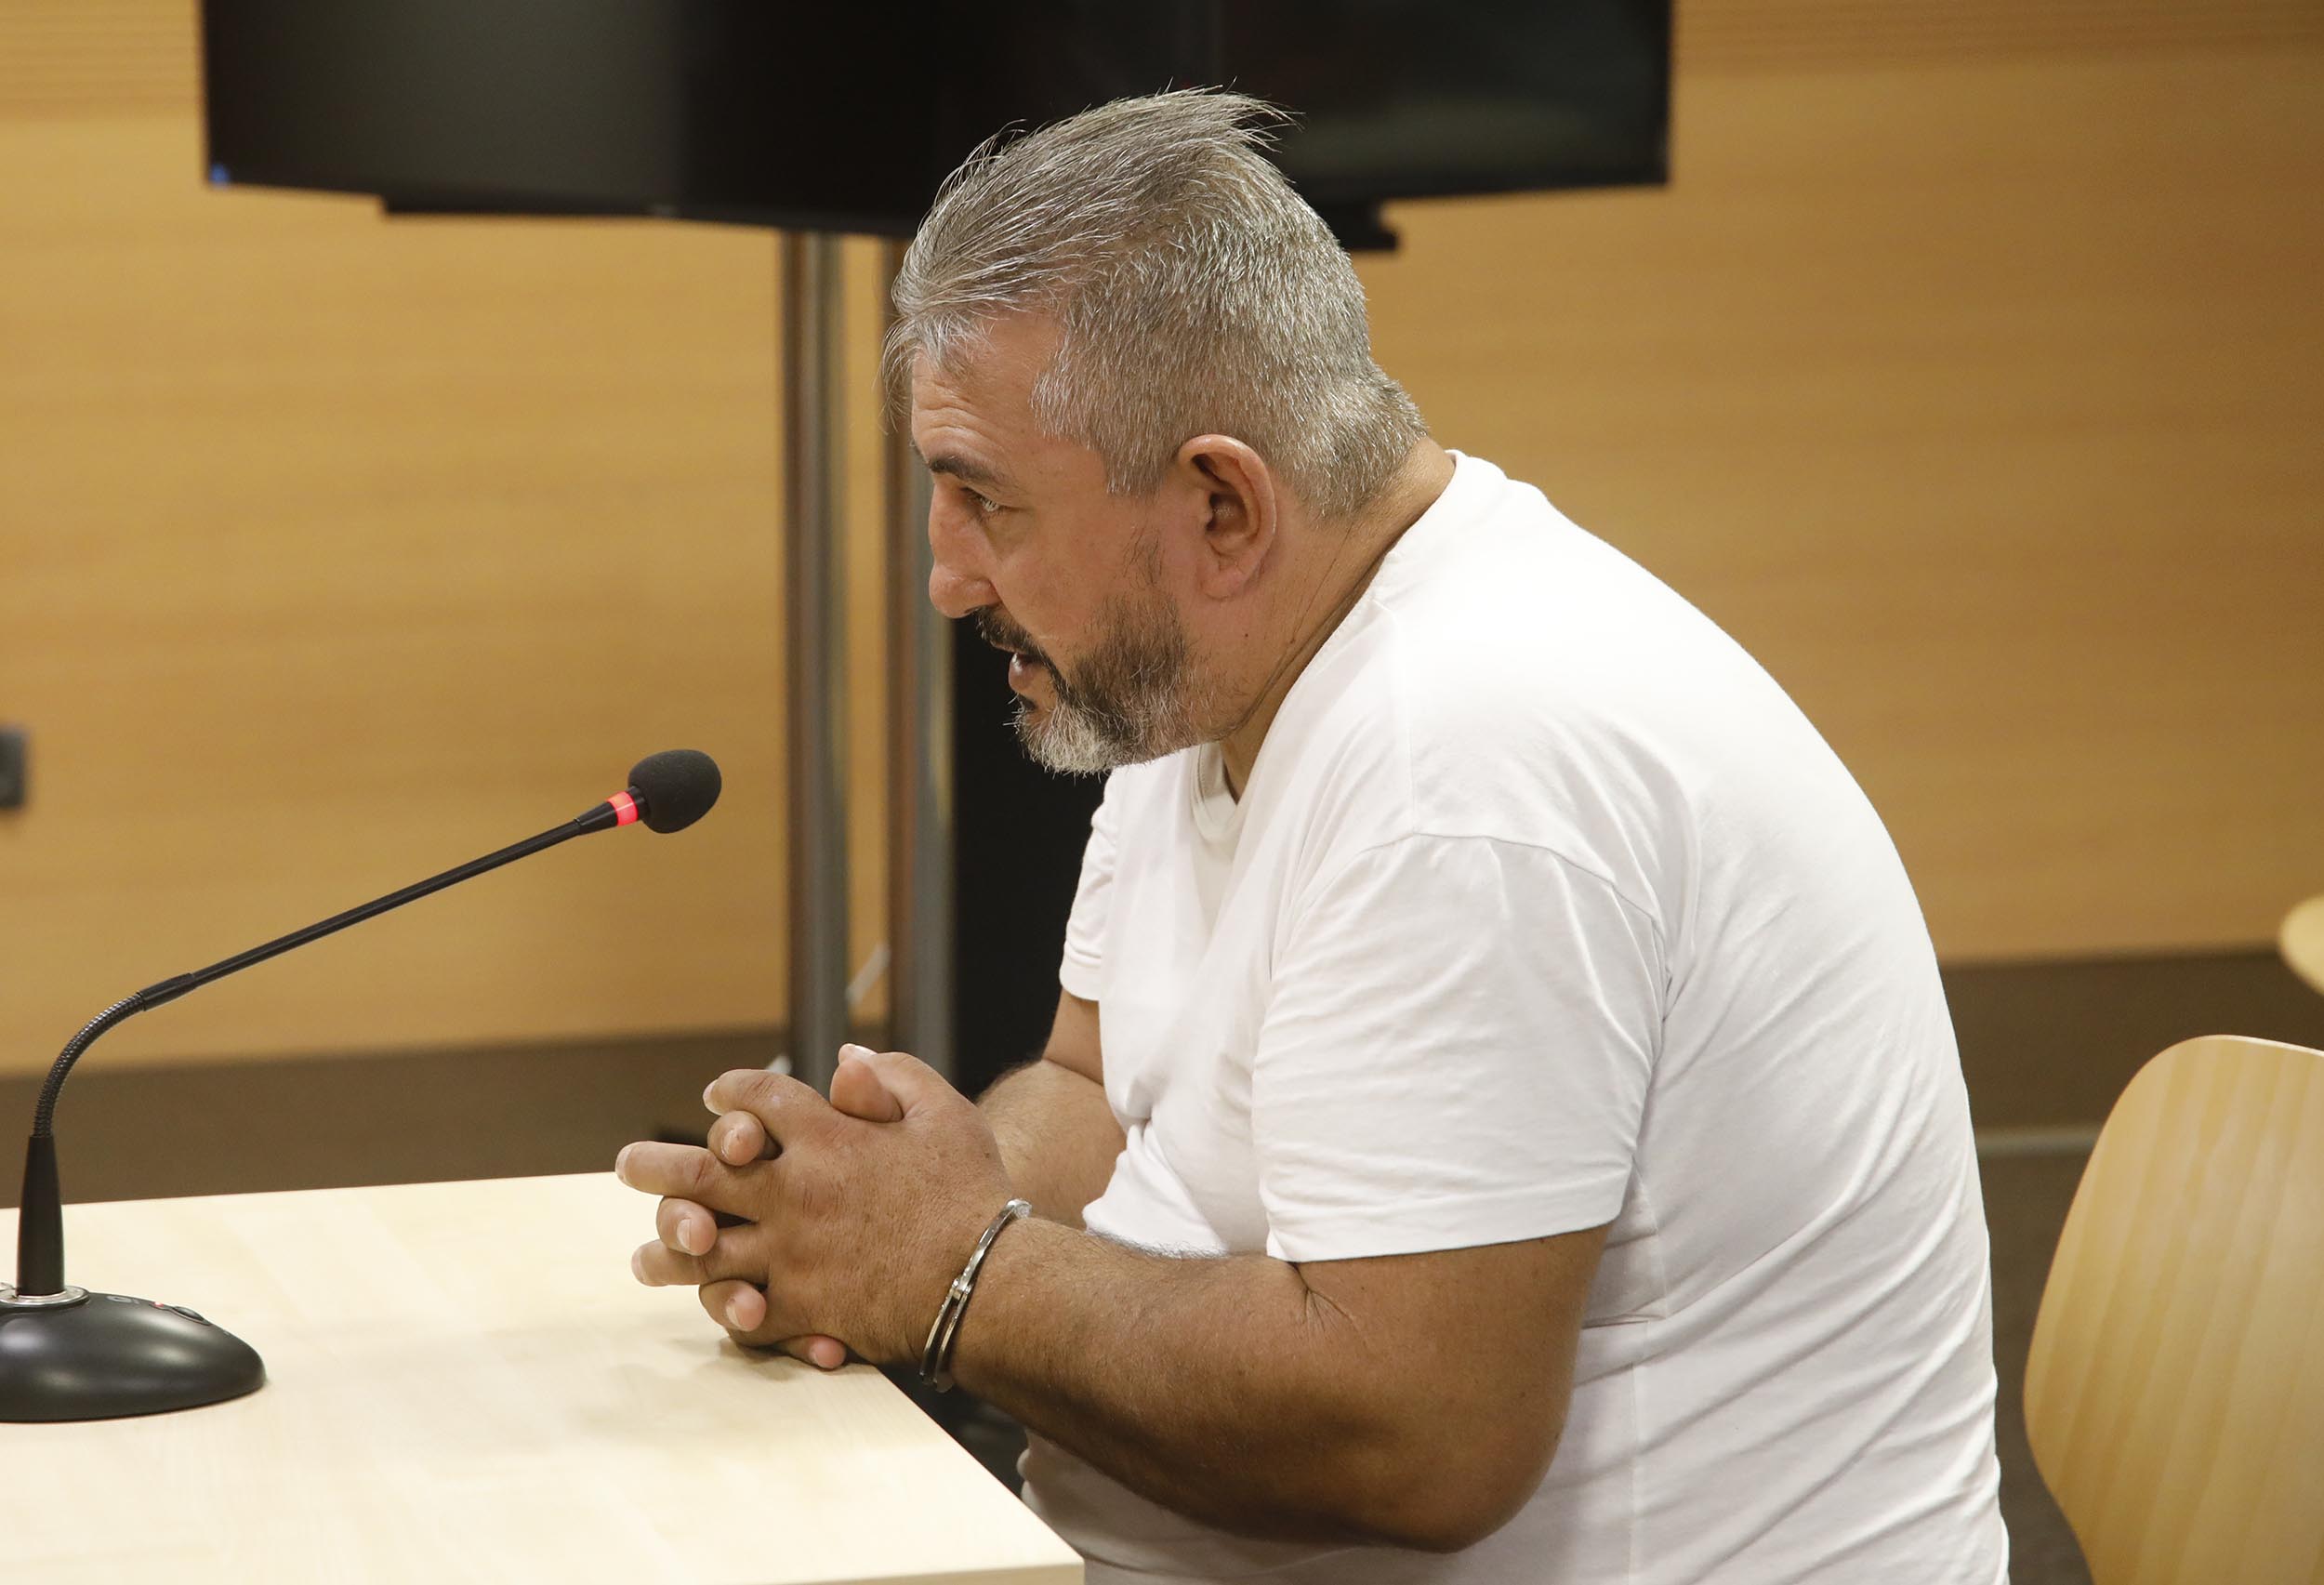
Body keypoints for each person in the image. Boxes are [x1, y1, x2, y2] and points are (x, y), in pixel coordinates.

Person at [615, 89, 2009, 1581]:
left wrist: (949, 1266)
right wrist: (912, 1184)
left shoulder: (1465, 763)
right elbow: (1100, 1089)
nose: (949, 578)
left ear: (1223, 504)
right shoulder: (1209, 655)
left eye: (986, 504)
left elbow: (1418, 1433)